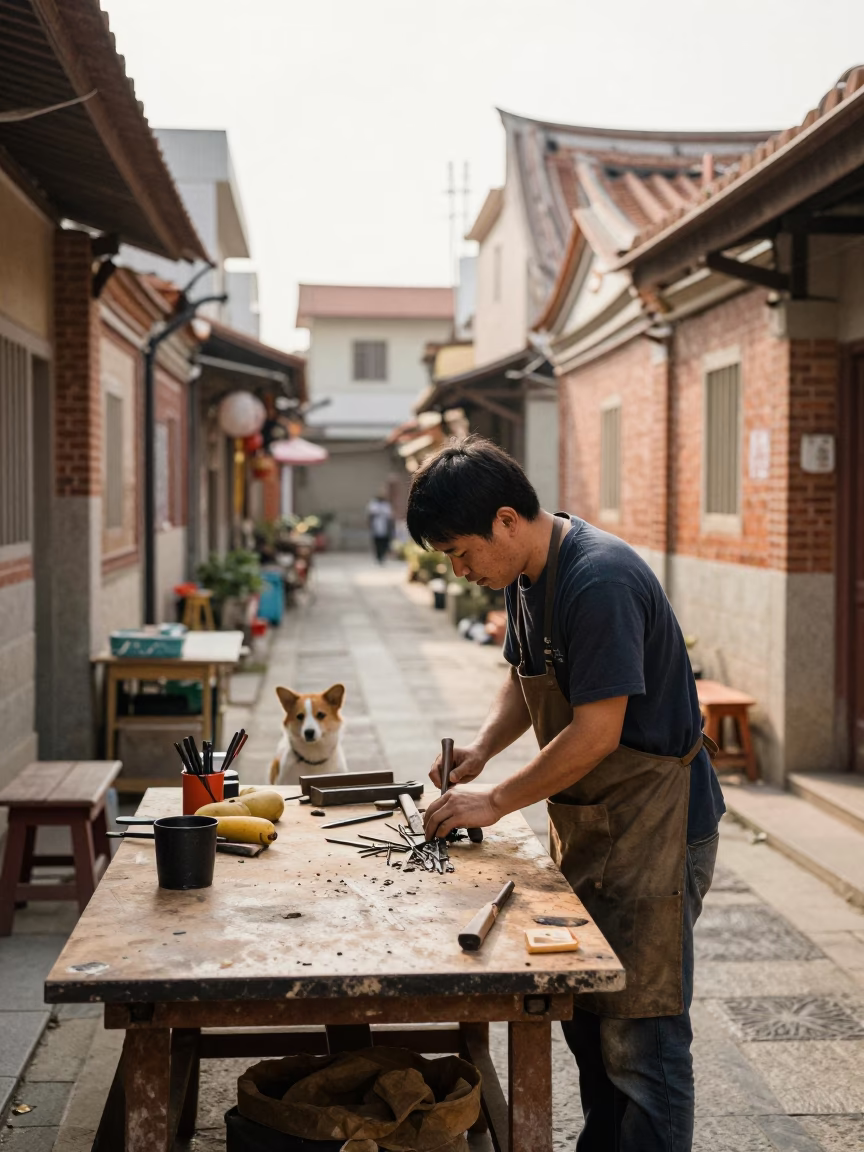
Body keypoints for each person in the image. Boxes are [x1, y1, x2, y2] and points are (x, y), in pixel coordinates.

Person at [408, 436, 725, 1152]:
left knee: (642, 1034)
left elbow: (595, 734)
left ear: (507, 520)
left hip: (658, 828)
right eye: (447, 560)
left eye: (462, 551)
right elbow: (526, 680)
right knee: (586, 1015)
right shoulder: (525, 577)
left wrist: (494, 801)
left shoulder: (598, 580)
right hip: (595, 822)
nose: (460, 570)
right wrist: (484, 750)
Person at [367, 490, 394, 564]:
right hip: (376, 525)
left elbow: (390, 516)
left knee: (384, 542)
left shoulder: (386, 505)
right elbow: (370, 515)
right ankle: (378, 556)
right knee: (377, 542)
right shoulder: (374, 504)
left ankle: (382, 555)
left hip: (384, 526)